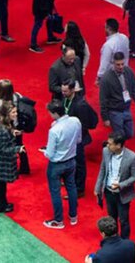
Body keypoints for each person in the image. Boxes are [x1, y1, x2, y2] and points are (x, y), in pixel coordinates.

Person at [43, 100, 83, 229]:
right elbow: (79, 140)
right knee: (71, 188)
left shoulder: (54, 130)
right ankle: (73, 216)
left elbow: (49, 154)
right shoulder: (76, 121)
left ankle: (58, 221)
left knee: (55, 192)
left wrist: (45, 152)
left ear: (55, 113)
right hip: (71, 161)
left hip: (56, 165)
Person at [94, 131, 135, 239]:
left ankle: (124, 241)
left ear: (118, 145)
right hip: (108, 191)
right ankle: (113, 240)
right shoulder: (106, 151)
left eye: (110, 144)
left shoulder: (132, 157)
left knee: (123, 220)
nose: (107, 146)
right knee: (111, 219)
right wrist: (97, 187)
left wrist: (121, 185)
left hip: (122, 193)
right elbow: (103, 169)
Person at [99, 52, 135, 139]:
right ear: (113, 63)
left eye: (122, 64)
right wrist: (105, 118)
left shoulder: (129, 72)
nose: (121, 67)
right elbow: (103, 99)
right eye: (118, 64)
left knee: (130, 134)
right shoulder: (106, 79)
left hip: (127, 108)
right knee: (119, 137)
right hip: (115, 112)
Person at [63, 80, 97, 196]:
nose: (63, 93)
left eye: (66, 91)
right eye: (62, 91)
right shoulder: (66, 99)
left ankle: (79, 189)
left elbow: (84, 124)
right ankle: (71, 180)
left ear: (73, 90)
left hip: (77, 139)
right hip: (69, 137)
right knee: (70, 161)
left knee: (79, 163)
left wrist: (75, 137)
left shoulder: (80, 105)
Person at [0, 104, 23, 213]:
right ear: (7, 114)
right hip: (2, 161)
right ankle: (0, 206)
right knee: (1, 185)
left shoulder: (1, 123)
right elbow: (4, 149)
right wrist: (18, 149)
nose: (16, 114)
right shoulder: (3, 129)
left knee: (1, 184)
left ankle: (2, 203)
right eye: (13, 112)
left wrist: (12, 132)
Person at [96, 19, 130, 84]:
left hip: (112, 76)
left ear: (108, 29)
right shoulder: (124, 37)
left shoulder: (108, 45)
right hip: (124, 71)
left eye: (105, 27)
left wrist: (99, 77)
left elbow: (104, 63)